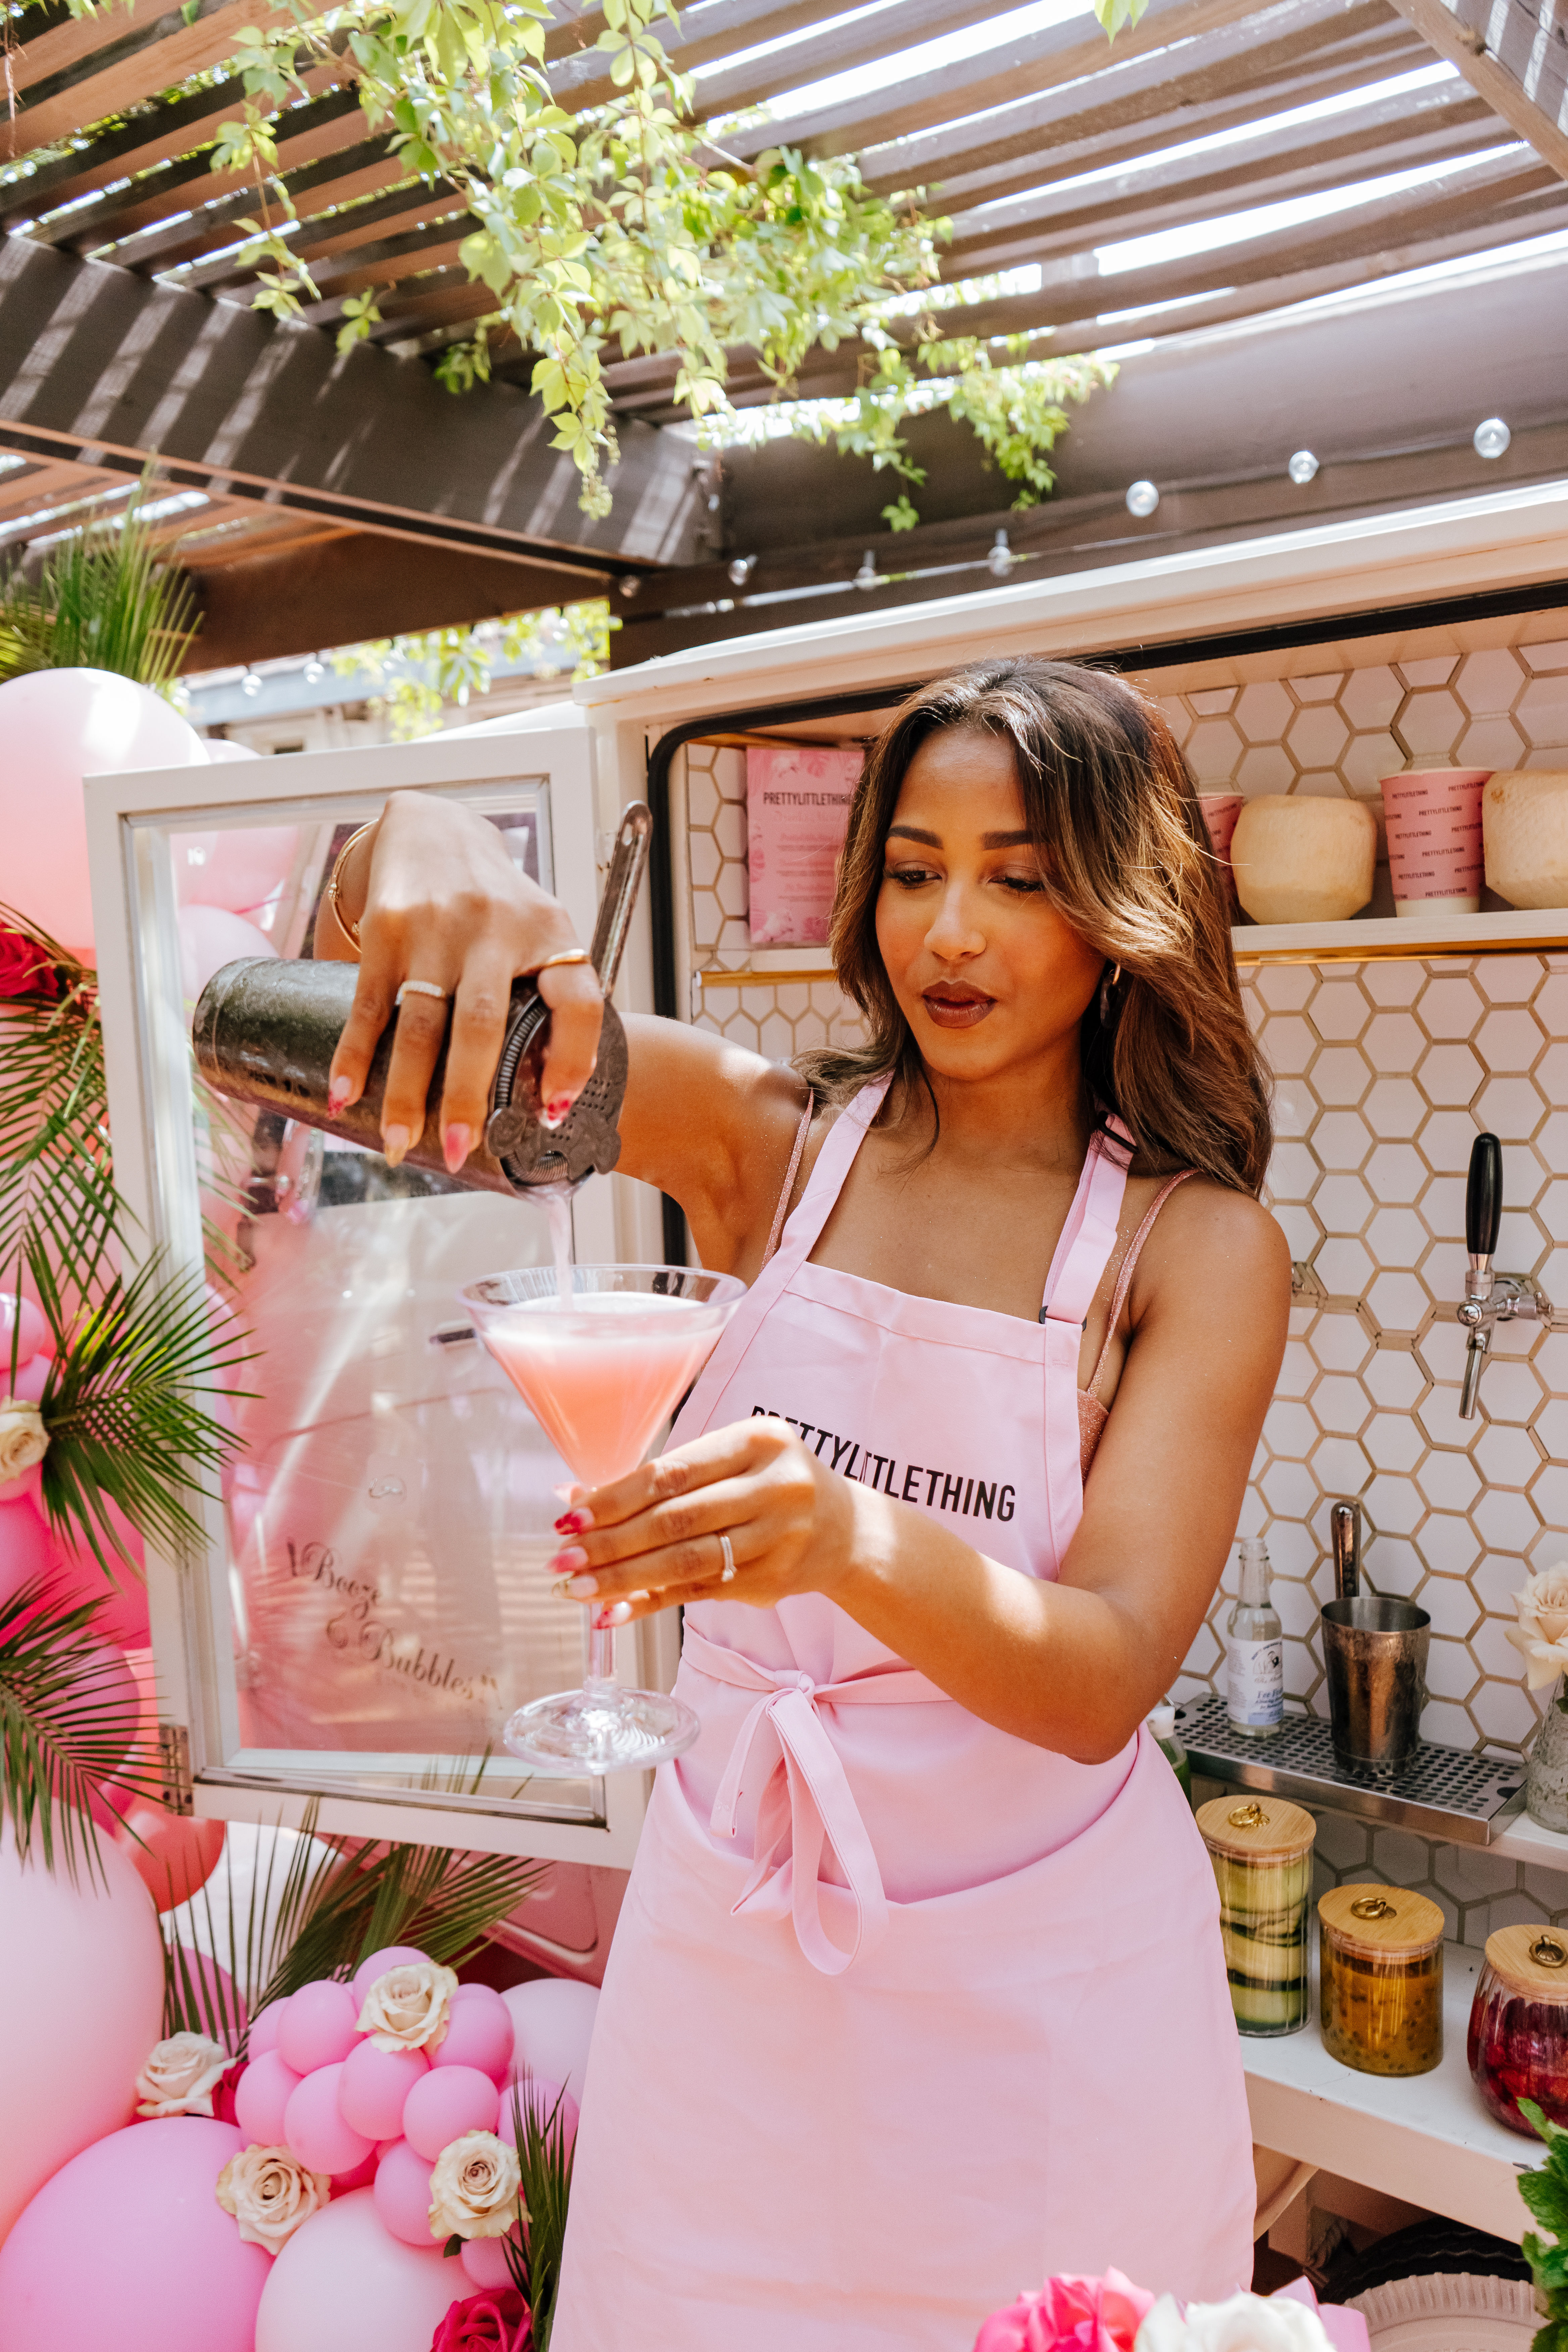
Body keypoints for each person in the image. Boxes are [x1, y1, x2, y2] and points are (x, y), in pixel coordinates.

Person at [321, 658, 1291, 2350]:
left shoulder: (1194, 1249)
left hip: (1043, 2012)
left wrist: (841, 1533)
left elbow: (1104, 1673)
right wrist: (400, 837)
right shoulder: (774, 1144)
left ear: (1126, 903)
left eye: (1020, 876)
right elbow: (452, 994)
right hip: (738, 1979)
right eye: (915, 870)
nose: (951, 935)